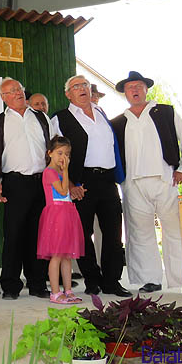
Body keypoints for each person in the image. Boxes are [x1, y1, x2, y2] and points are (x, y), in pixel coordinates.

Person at [111, 71, 182, 297]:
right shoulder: (118, 122)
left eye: (138, 86)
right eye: (129, 87)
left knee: (175, 231)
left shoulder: (165, 112)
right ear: (124, 93)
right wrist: (121, 181)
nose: (134, 90)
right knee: (139, 233)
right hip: (133, 183)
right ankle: (149, 279)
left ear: (146, 89)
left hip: (165, 178)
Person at [51, 75, 131, 297]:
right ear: (68, 94)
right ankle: (92, 279)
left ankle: (112, 281)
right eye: (76, 86)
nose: (82, 89)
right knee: (83, 234)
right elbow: (56, 155)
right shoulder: (60, 118)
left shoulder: (101, 113)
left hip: (107, 180)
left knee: (113, 233)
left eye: (85, 85)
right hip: (81, 182)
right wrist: (72, 183)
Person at [0, 78, 53, 300]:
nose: (18, 93)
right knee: (13, 235)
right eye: (11, 91)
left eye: (19, 89)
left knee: (38, 235)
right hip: (15, 183)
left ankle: (38, 283)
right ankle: (11, 285)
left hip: (42, 182)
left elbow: (54, 146)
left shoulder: (41, 117)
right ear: (4, 98)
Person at [37, 136, 85, 304]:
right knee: (56, 255)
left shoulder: (59, 172)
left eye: (67, 154)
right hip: (56, 216)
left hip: (67, 214)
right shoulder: (50, 173)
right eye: (59, 153)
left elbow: (67, 194)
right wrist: (66, 172)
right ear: (49, 153)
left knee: (67, 256)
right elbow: (63, 191)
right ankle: (55, 292)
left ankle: (68, 290)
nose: (63, 157)